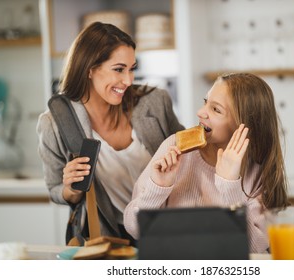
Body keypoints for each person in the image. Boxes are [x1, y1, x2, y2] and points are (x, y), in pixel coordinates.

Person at [36, 22, 184, 245]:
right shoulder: (54, 123)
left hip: (168, 232)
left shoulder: (155, 102)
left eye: (132, 68)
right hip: (110, 237)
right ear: (89, 69)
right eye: (119, 69)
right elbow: (55, 190)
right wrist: (71, 189)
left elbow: (191, 161)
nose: (128, 80)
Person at [124, 72, 289, 253]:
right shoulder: (175, 146)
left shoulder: (257, 170)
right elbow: (134, 228)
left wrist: (229, 185)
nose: (201, 112)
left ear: (243, 125)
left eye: (216, 109)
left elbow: (254, 248)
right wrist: (158, 187)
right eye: (205, 102)